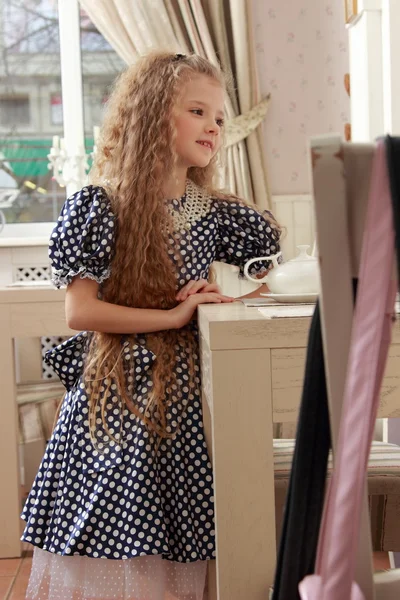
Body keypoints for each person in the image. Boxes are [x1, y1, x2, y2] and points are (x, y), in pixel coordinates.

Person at [21, 51, 282, 600]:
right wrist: (171, 315)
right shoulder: (101, 204)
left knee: (185, 511)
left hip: (192, 388)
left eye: (218, 116)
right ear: (155, 114)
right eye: (198, 111)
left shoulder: (217, 212)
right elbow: (81, 312)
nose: (214, 125)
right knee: (124, 485)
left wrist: (219, 293)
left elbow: (266, 284)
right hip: (119, 386)